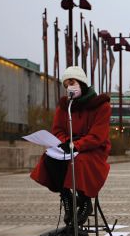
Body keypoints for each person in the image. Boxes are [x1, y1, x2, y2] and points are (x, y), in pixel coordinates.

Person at [30, 66, 111, 225]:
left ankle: (85, 200)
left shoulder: (101, 106)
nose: (69, 88)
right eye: (66, 85)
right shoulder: (65, 106)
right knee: (49, 158)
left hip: (93, 149)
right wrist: (66, 142)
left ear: (81, 82)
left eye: (72, 82)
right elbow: (58, 129)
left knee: (80, 161)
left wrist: (76, 145)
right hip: (70, 146)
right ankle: (66, 196)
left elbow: (97, 136)